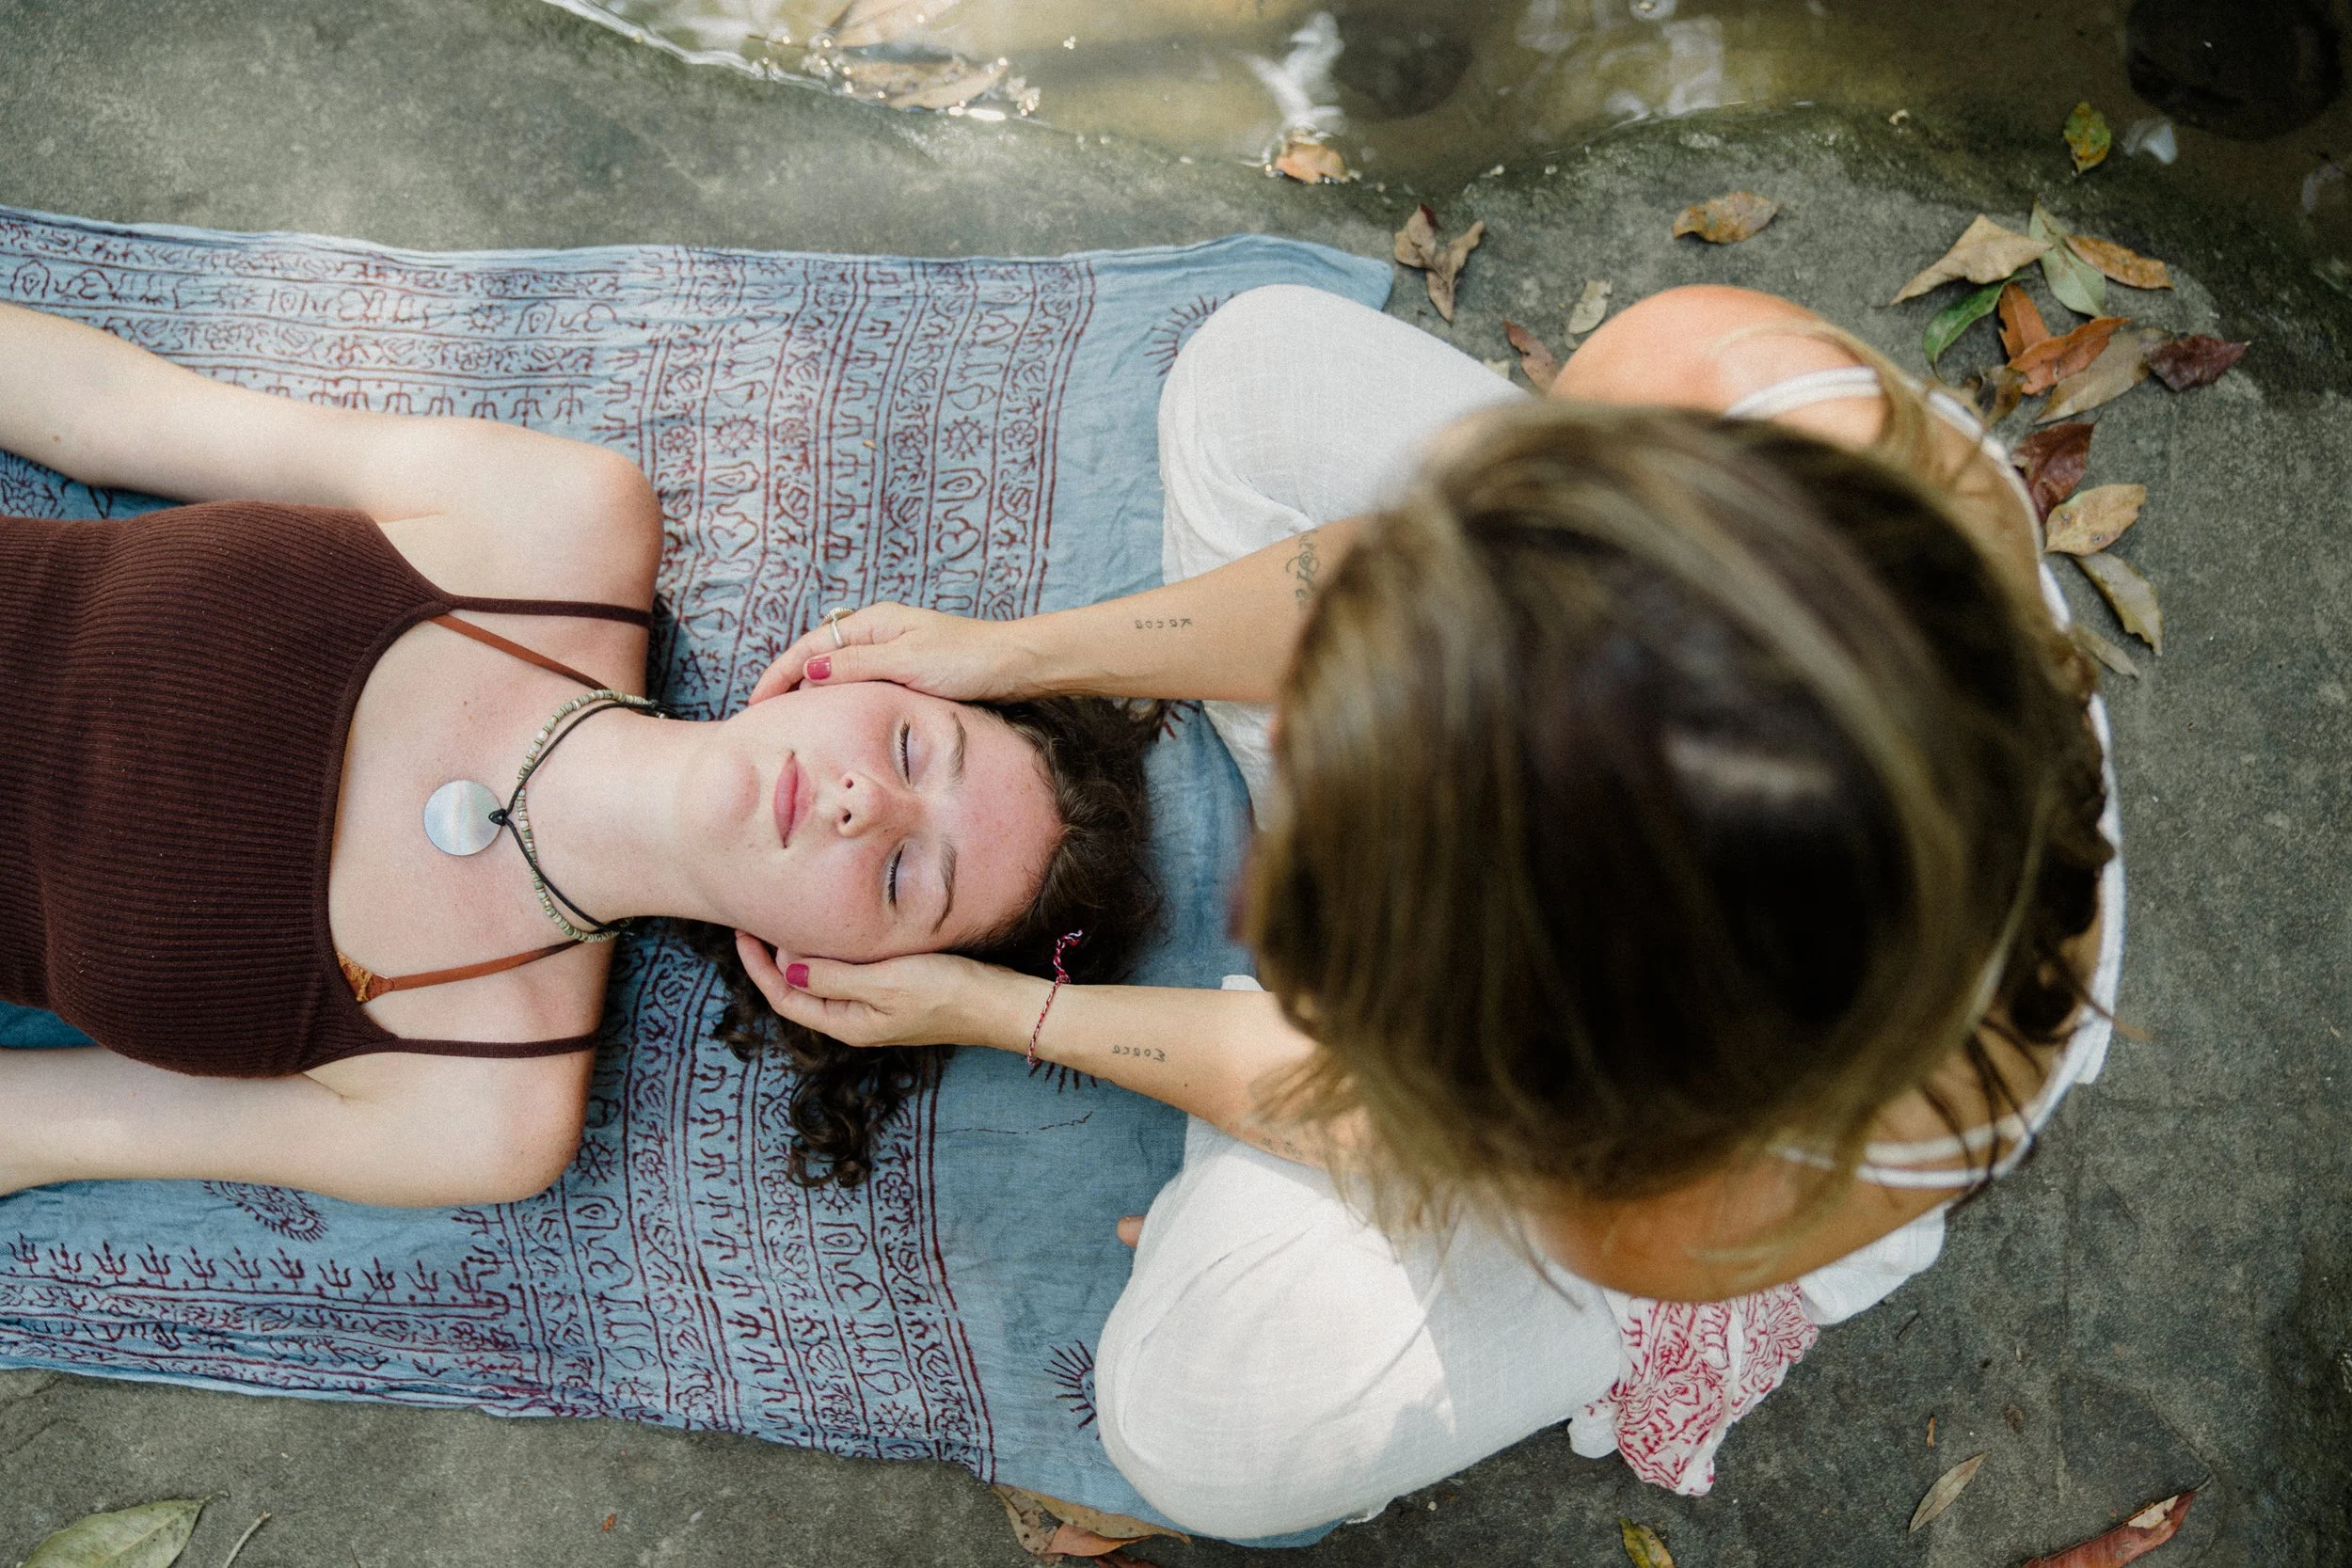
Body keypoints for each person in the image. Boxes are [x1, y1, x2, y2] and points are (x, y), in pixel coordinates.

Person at [722, 282, 2123, 1535]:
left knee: (1192, 1421)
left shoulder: (1714, 1168)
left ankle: (1366, 1264)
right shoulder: (1716, 376)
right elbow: (1385, 572)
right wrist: (1027, 659)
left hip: (1700, 1116)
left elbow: (1382, 1113)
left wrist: (1011, 1006)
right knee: (1249, 375)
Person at [0, 301, 1158, 1209]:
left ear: (834, 976)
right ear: (843, 665)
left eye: (910, 876)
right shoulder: (560, 521)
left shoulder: (481, 1103)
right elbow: (115, 408)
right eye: (912, 744)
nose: (865, 801)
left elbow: (35, 1127)